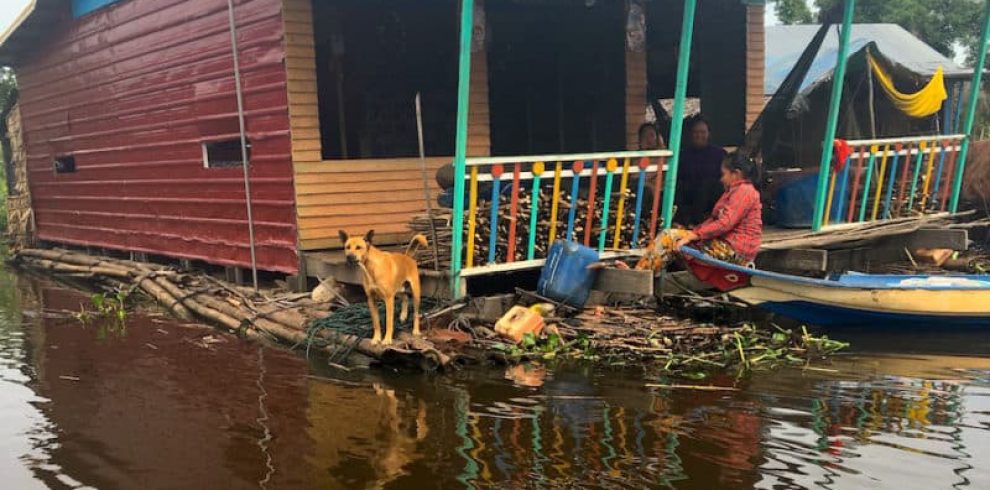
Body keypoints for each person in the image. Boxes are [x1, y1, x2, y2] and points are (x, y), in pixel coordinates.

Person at [674, 154, 763, 265]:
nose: (721, 179)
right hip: (728, 243)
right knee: (677, 232)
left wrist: (695, 234)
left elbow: (725, 223)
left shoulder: (744, 192)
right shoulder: (734, 190)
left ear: (736, 174)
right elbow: (715, 219)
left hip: (736, 250)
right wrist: (695, 231)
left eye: (723, 174)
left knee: (670, 237)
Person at [675, 115, 727, 226]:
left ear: (708, 133)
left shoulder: (719, 154)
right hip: (689, 195)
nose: (699, 135)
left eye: (703, 132)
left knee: (708, 186)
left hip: (712, 196)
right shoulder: (683, 155)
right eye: (696, 132)